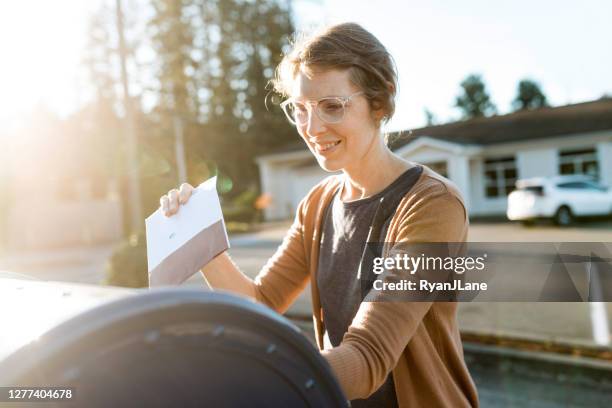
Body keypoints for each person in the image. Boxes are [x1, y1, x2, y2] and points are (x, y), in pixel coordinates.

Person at [160, 22, 479, 407]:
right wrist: (201, 238)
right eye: (299, 109)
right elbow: (260, 303)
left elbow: (367, 360)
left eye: (331, 106)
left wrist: (255, 377)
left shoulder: (433, 204)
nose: (311, 128)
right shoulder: (318, 203)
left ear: (380, 103)